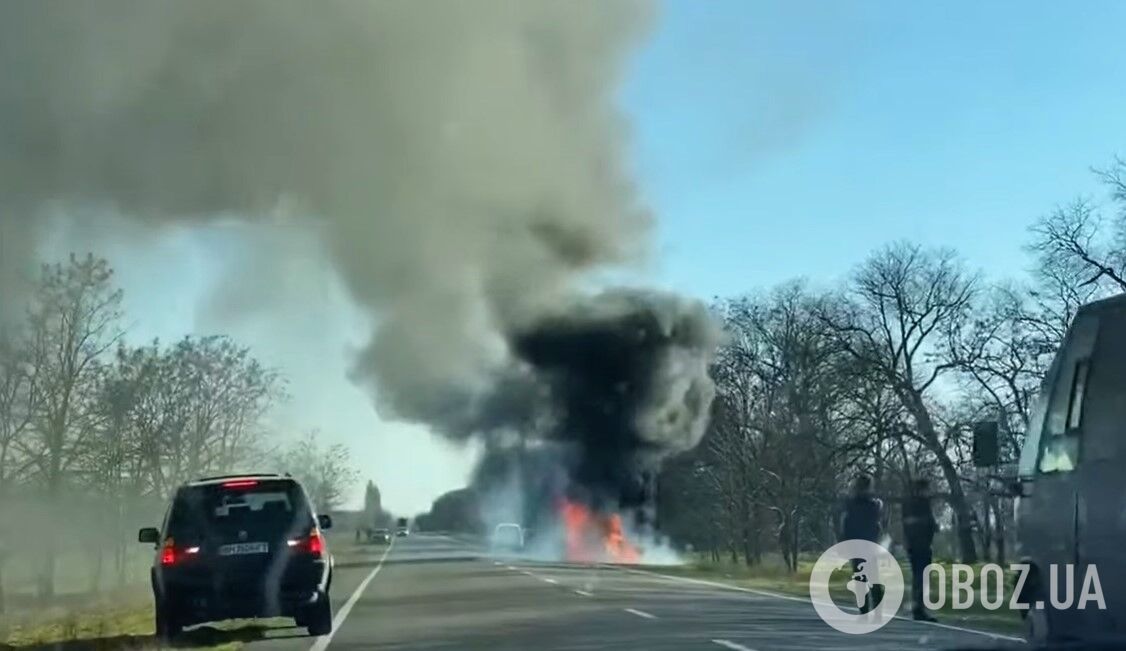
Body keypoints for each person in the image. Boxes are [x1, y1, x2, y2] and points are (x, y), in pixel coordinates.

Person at [840, 474, 884, 614]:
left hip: (856, 543)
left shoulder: (851, 504)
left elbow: (846, 524)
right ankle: (876, 607)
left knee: (860, 576)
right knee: (873, 576)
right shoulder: (873, 504)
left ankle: (864, 608)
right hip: (869, 543)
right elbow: (877, 520)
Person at [902, 478, 938, 621]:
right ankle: (918, 608)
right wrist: (928, 523)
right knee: (920, 577)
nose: (928, 492)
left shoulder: (922, 503)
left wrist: (933, 525)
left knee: (922, 577)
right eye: (926, 489)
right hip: (918, 544)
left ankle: (919, 607)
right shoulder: (915, 503)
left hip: (922, 544)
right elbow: (910, 522)